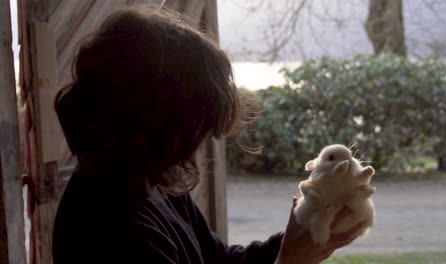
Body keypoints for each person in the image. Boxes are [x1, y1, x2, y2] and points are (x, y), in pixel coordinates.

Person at [52, 7, 366, 264]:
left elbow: (219, 261)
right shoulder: (112, 227)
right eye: (194, 127)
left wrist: (298, 238)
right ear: (157, 120)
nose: (197, 145)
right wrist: (288, 261)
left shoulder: (151, 180)